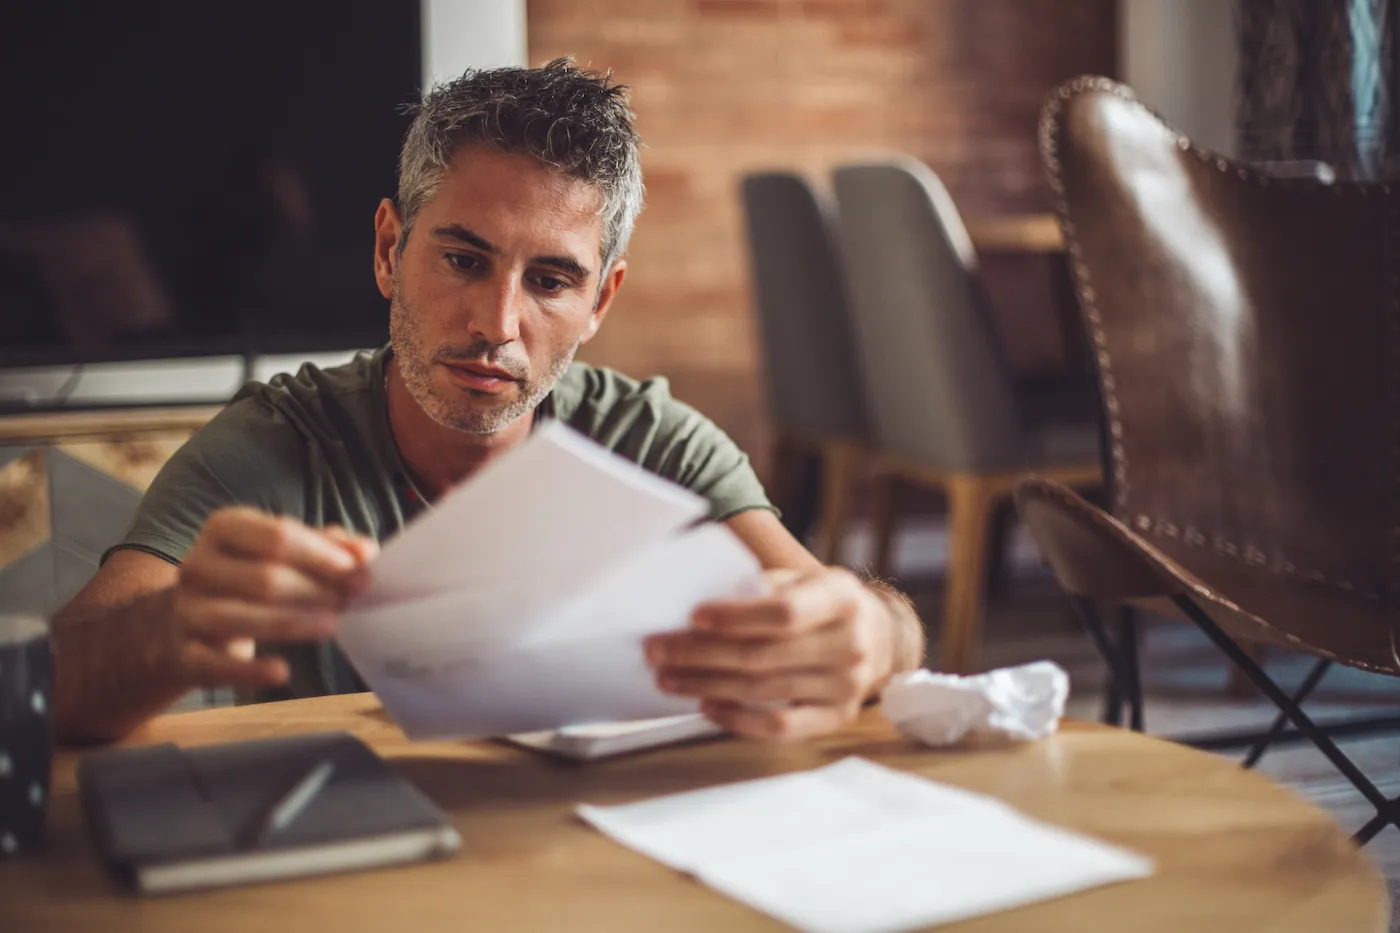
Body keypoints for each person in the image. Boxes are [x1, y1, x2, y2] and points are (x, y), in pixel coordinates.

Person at [53, 59, 925, 744]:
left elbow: (858, 619)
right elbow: (53, 685)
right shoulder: (274, 446)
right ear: (390, 250)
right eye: (464, 260)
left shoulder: (650, 440)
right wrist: (171, 629)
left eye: (549, 281)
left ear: (600, 303)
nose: (497, 324)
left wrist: (874, 634)